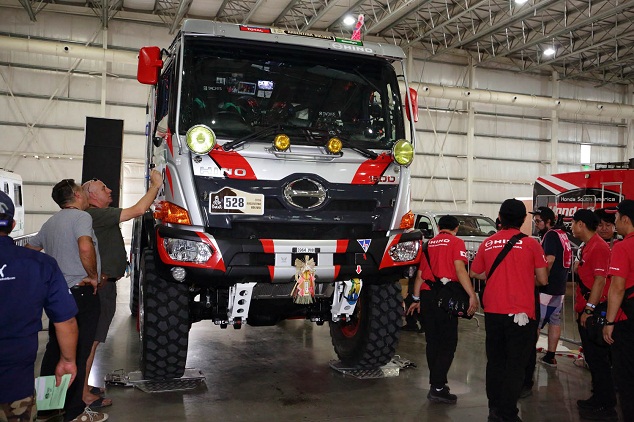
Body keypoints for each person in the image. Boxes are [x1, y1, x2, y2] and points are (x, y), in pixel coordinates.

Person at [26, 179, 108, 422]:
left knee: (55, 350)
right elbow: (85, 247)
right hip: (81, 294)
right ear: (75, 194)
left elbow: (30, 251)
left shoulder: (50, 222)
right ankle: (75, 412)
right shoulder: (81, 218)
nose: (85, 193)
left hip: (58, 296)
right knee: (79, 352)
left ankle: (47, 407)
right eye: (82, 190)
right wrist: (92, 276)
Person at [81, 169, 163, 397]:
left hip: (106, 284)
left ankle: (83, 387)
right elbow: (138, 210)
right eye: (103, 188)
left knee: (92, 340)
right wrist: (156, 185)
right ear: (92, 197)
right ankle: (83, 394)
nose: (109, 191)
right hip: (103, 287)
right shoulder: (98, 215)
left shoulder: (97, 216)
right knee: (92, 341)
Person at [0, 191, 79, 422]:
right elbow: (66, 320)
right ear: (13, 224)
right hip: (15, 389)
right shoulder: (40, 264)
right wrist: (67, 360)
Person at [470, 199, 548, 422]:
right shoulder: (533, 244)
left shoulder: (488, 243)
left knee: (495, 362)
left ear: (500, 217)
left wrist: (499, 276)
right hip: (521, 314)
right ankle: (508, 413)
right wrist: (522, 276)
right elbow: (542, 279)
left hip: (494, 311)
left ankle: (494, 409)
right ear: (524, 220)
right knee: (516, 364)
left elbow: (476, 273)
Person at [407, 215, 478, 404]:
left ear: (438, 227)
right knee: (448, 342)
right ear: (456, 229)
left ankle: (437, 384)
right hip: (446, 298)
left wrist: (416, 299)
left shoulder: (428, 245)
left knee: (433, 342)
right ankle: (437, 387)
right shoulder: (456, 242)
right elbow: (460, 269)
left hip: (428, 296)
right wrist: (471, 294)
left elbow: (421, 275)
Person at [570, 209, 617, 421]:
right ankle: (598, 397)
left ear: (581, 224)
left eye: (573, 223)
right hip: (585, 308)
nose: (571, 227)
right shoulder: (589, 246)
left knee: (599, 359)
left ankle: (605, 403)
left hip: (593, 311)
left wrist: (589, 309)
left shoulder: (598, 247)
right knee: (593, 357)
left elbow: (600, 280)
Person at [603, 199, 634, 421]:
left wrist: (609, 322)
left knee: (626, 375)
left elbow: (617, 287)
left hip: (627, 320)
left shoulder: (623, 247)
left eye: (615, 219)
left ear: (625, 219)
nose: (614, 223)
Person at [530, 206, 572, 368]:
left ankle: (529, 355)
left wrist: (540, 280)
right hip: (559, 286)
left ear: (548, 221)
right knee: (554, 320)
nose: (536, 224)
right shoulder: (562, 234)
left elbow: (550, 259)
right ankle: (550, 356)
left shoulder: (551, 236)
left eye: (539, 221)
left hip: (547, 288)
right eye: (535, 221)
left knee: (536, 323)